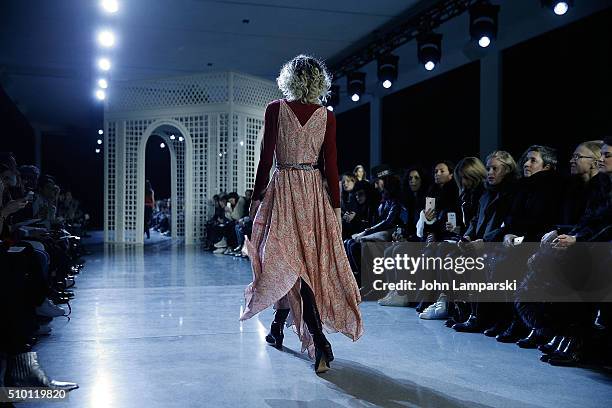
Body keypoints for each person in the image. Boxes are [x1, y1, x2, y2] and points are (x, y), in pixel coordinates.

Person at [239, 55, 363, 374]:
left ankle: (320, 342)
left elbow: (266, 158)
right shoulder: (327, 116)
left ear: (288, 79)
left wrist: (256, 197)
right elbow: (331, 167)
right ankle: (279, 329)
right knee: (297, 263)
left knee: (287, 262)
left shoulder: (275, 108)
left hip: (283, 190)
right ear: (319, 81)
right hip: (313, 194)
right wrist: (335, 207)